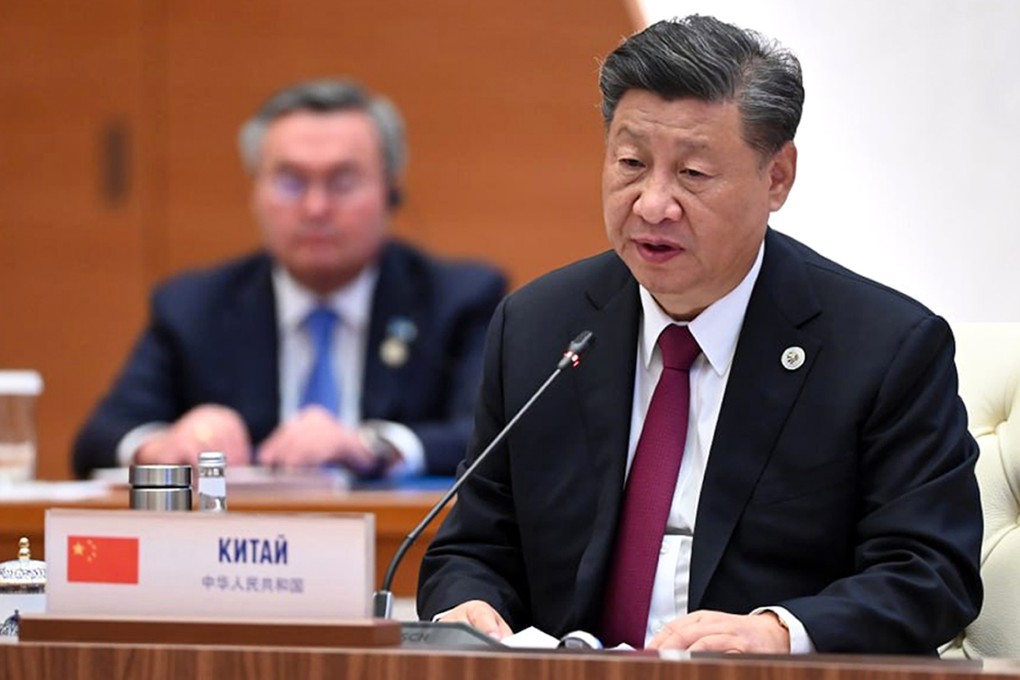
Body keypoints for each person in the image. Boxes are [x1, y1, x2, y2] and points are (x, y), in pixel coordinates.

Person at [417, 16, 982, 654]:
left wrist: (780, 633)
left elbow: (930, 574)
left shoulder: (883, 348)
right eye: (630, 163)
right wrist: (470, 606)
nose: (653, 203)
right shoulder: (539, 327)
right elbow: (474, 544)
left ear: (777, 178)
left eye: (693, 174)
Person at [73, 79, 507, 480]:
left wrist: (371, 445)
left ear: (390, 191)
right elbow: (99, 439)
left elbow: (492, 440)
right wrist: (162, 444)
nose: (316, 208)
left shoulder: (459, 300)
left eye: (342, 181)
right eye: (290, 182)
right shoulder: (193, 306)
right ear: (255, 192)